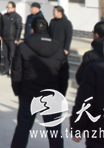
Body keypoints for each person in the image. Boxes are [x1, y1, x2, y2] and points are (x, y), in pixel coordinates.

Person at [10, 17, 68, 148]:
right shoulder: (59, 48)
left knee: (23, 127)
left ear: (32, 29)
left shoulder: (23, 47)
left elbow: (16, 71)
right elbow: (64, 75)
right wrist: (61, 94)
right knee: (54, 130)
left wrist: (18, 90)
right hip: (52, 94)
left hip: (29, 92)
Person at [0, 1, 23, 77]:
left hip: (12, 39)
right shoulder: (4, 16)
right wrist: (0, 35)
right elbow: (1, 26)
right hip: (5, 38)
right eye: (7, 7)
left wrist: (17, 38)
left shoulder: (17, 17)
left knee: (12, 55)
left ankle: (13, 71)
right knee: (5, 55)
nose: (7, 9)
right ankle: (6, 70)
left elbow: (19, 28)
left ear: (13, 8)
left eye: (9, 7)